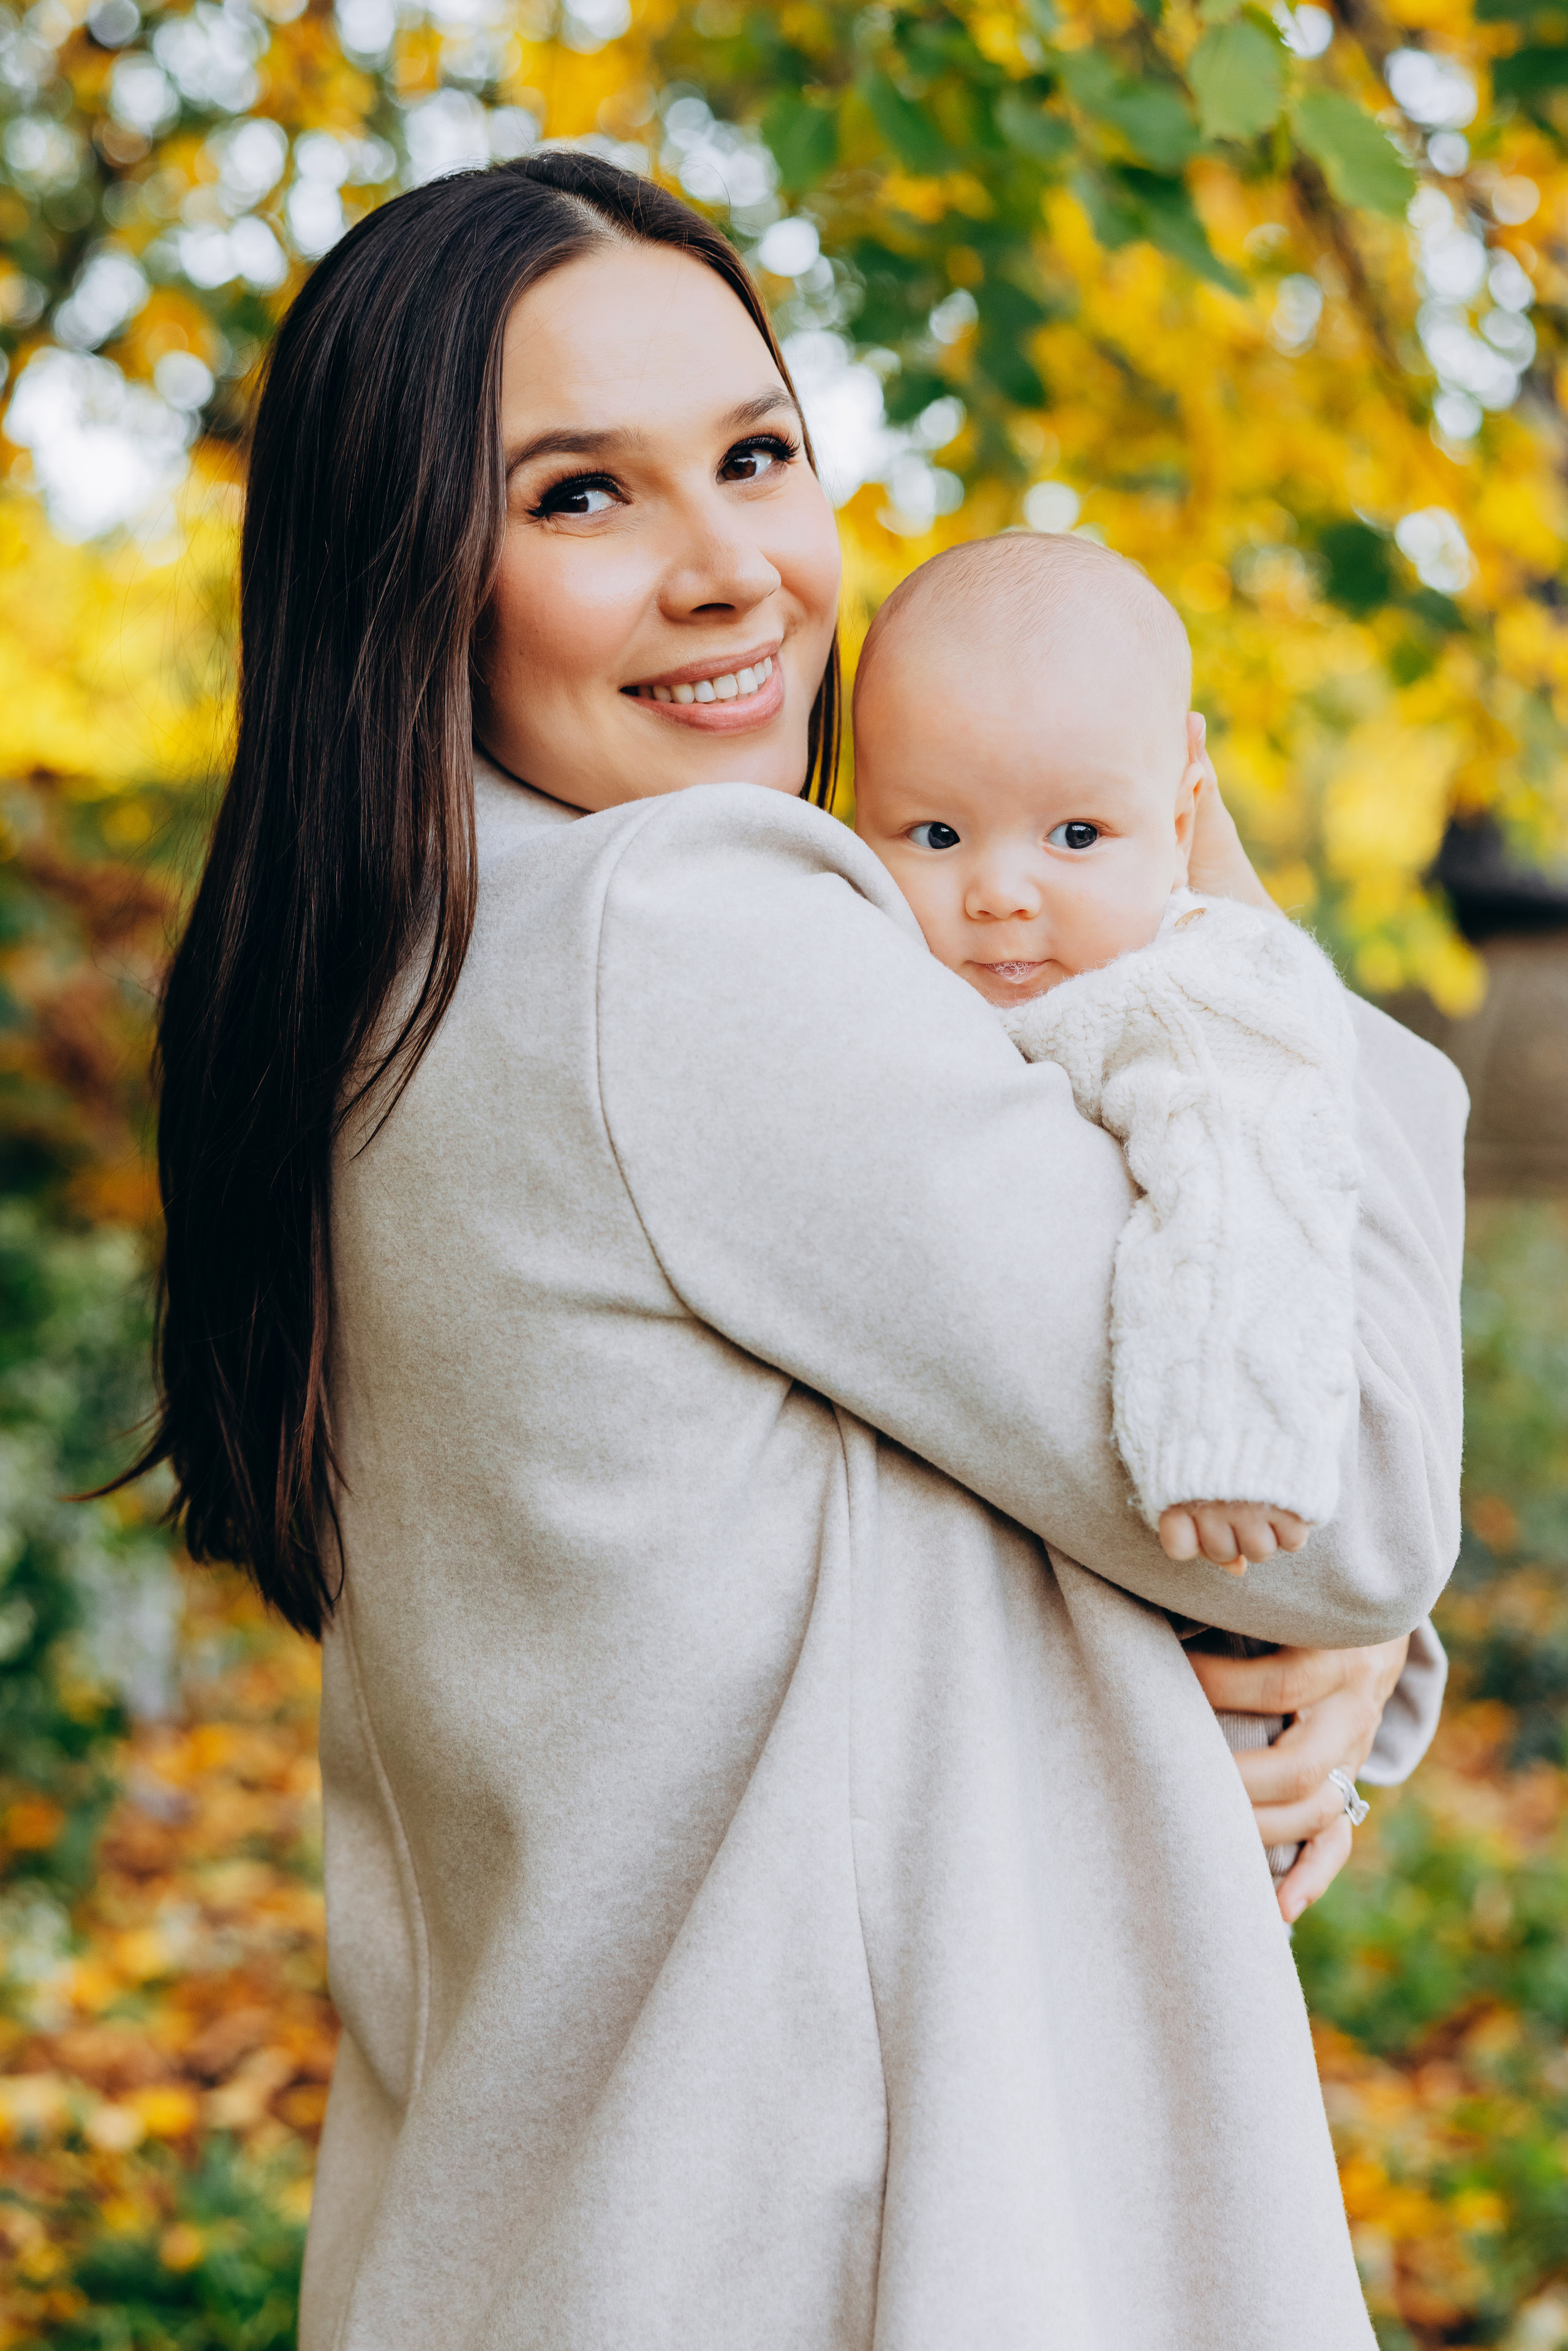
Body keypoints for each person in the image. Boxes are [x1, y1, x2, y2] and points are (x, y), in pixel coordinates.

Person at [133, 153, 1463, 2349]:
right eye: (582, 497)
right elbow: (1337, 1491)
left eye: (756, 455)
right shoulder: (683, 940)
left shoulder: (402, 971)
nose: (727, 568)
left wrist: (1322, 1672)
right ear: (416, 574)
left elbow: (944, 1545)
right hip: (846, 2256)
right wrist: (1253, 961)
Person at [851, 532, 1382, 1883]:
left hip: (1220, 1544)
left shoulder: (1187, 997)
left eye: (1075, 834)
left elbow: (1247, 1181)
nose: (1000, 890)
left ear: (1183, 812)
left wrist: (1225, 1432)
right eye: (932, 832)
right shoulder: (924, 983)